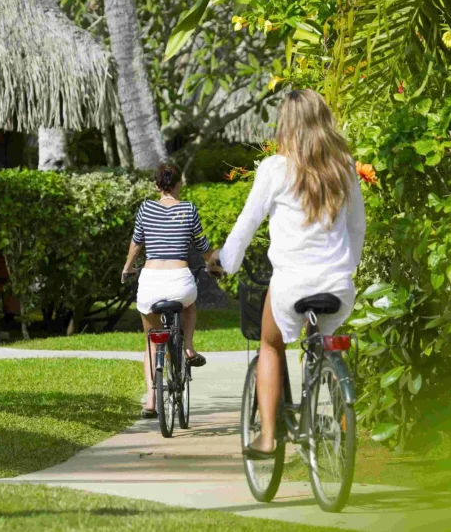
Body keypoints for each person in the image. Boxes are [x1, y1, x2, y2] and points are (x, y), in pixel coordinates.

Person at [208, 89, 366, 458]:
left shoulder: (275, 169)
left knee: (270, 345)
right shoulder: (343, 167)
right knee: (323, 343)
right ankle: (331, 403)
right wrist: (347, 267)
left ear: (286, 125)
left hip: (291, 286)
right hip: (339, 286)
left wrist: (225, 262)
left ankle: (266, 438)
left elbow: (247, 225)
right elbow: (357, 227)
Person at [122, 162, 215, 419]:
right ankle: (188, 346)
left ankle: (151, 400)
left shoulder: (146, 208)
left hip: (151, 281)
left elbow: (136, 242)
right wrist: (214, 264)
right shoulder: (188, 208)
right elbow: (201, 244)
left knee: (152, 341)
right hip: (180, 281)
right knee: (190, 304)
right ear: (178, 184)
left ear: (156, 185)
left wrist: (127, 267)